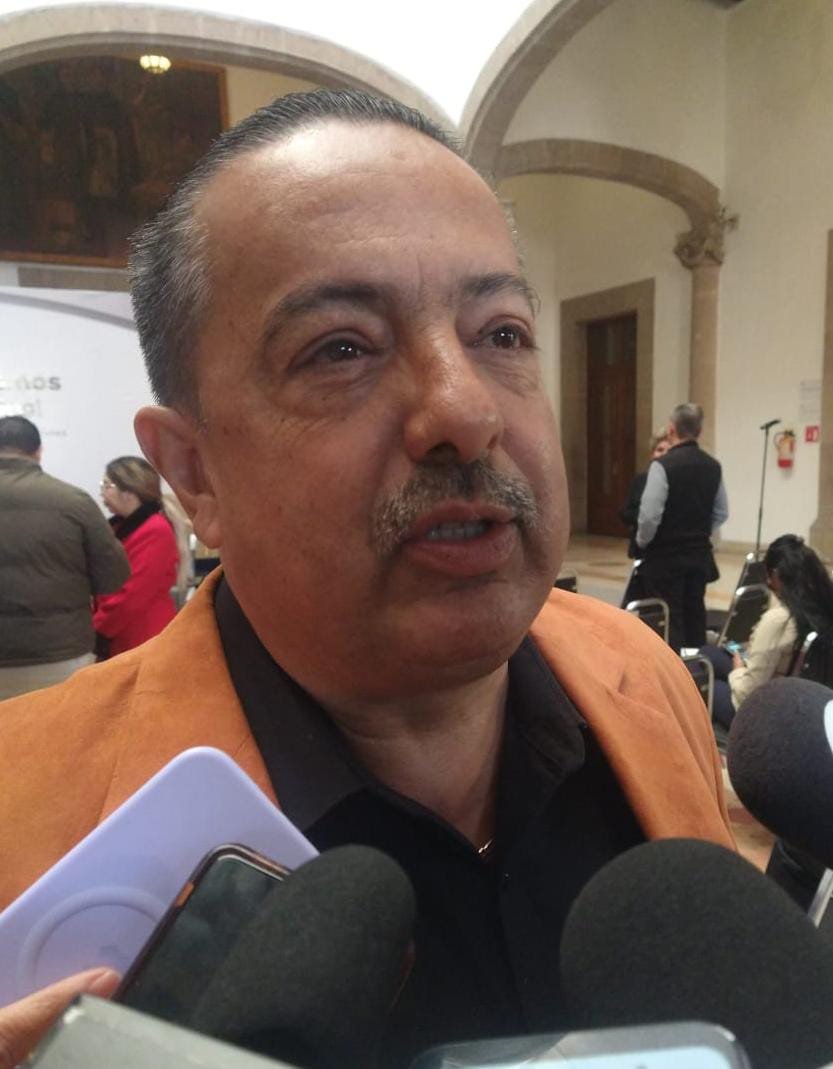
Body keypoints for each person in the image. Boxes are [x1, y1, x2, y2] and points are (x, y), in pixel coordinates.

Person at [0, 90, 734, 1065]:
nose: (464, 410)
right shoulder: (22, 809)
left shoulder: (638, 673)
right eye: (340, 348)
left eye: (500, 333)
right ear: (193, 472)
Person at [0, 414, 129, 700]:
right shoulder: (74, 501)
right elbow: (113, 577)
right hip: (60, 652)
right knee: (63, 728)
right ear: (38, 451)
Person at [700, 534, 833, 731]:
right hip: (802, 700)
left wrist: (737, 670)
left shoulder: (779, 619)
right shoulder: (822, 608)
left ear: (777, 575)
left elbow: (748, 692)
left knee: (702, 676)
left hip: (761, 710)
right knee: (710, 654)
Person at [636, 402, 729, 651]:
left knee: (669, 617)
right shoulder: (713, 466)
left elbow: (649, 516)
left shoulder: (662, 466)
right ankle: (698, 664)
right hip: (699, 555)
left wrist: (644, 541)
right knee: (695, 612)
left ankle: (672, 665)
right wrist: (699, 531)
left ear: (671, 429)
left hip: (665, 558)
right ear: (699, 430)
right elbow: (722, 511)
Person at [94, 456, 179, 657]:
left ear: (129, 491)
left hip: (142, 635)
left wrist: (97, 629)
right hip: (122, 632)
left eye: (107, 485)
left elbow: (132, 594)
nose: (102, 493)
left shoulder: (155, 530)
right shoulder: (119, 526)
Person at [619, 430, 670, 559]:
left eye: (668, 451)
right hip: (642, 548)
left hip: (667, 548)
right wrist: (646, 514)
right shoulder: (640, 480)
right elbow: (626, 512)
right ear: (652, 454)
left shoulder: (677, 481)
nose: (664, 454)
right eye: (659, 450)